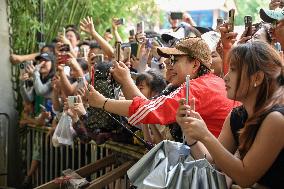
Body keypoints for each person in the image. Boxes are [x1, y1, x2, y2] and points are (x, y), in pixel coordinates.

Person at [176, 41, 284, 188]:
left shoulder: (276, 119)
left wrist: (206, 135)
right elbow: (213, 162)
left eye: (233, 70)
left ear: (257, 78)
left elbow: (245, 177)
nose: (226, 77)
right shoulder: (237, 116)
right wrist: (191, 134)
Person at [85, 37, 238, 140]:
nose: (169, 64)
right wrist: (125, 81)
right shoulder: (211, 82)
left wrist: (102, 102)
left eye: (175, 60)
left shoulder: (196, 88)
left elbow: (148, 109)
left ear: (195, 64)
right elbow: (150, 107)